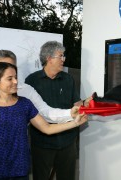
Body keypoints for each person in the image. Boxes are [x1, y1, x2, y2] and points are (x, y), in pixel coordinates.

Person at [0, 62, 88, 179]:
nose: (16, 82)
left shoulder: (25, 104)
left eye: (16, 77)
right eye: (10, 79)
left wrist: (75, 123)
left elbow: (47, 128)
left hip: (19, 173)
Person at [25, 41, 83, 180]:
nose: (64, 60)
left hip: (68, 141)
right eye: (60, 56)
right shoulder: (32, 81)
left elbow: (76, 103)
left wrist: (87, 104)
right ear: (49, 58)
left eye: (63, 56)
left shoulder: (68, 79)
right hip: (42, 142)